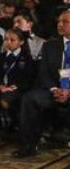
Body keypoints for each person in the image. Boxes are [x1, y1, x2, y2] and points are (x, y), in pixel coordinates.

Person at [14, 9, 70, 158]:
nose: (60, 24)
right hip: (54, 90)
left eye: (65, 22)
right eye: (59, 21)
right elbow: (44, 73)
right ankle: (28, 145)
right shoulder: (50, 45)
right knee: (30, 98)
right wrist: (54, 89)